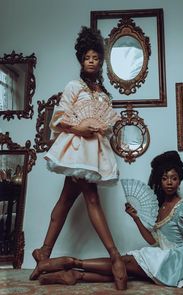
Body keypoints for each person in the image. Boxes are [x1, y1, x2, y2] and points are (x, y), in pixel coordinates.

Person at [29, 151, 183, 287]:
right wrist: (135, 218)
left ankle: (69, 262)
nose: (169, 182)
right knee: (128, 270)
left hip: (178, 261)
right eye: (164, 178)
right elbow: (153, 241)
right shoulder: (161, 207)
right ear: (159, 181)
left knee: (125, 261)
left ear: (180, 179)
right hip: (162, 254)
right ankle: (73, 275)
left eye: (173, 177)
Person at [30, 26, 127, 290]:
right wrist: (79, 128)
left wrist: (101, 128)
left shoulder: (104, 95)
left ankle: (43, 254)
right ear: (81, 61)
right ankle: (115, 256)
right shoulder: (74, 86)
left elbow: (106, 126)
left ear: (101, 61)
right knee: (92, 199)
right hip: (76, 151)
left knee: (65, 200)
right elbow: (58, 120)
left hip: (92, 153)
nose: (92, 61)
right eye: (87, 58)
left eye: (96, 57)